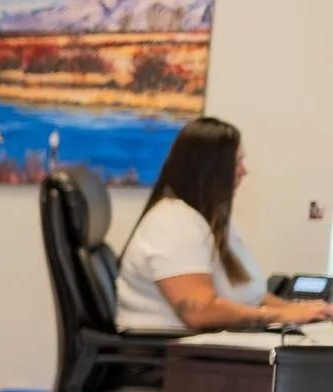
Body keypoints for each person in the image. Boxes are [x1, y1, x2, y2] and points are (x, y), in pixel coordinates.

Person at [115, 116, 332, 331]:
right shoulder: (173, 222)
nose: (244, 171)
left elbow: (250, 295)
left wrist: (306, 311)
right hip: (173, 356)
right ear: (210, 168)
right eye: (236, 162)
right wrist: (278, 315)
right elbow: (199, 312)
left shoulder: (209, 219)